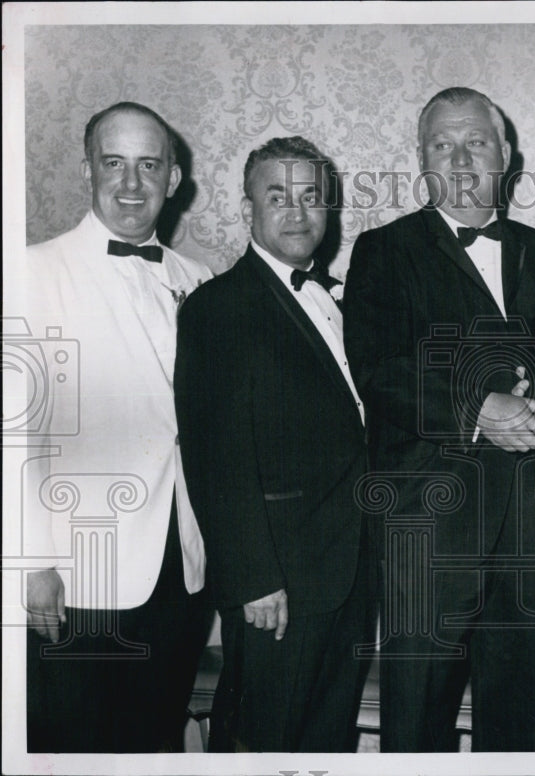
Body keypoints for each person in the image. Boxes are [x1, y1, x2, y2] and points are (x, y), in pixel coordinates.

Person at [343, 87, 535, 752]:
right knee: (416, 729)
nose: (459, 158)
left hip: (534, 532)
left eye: (475, 142)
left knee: (516, 731)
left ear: (505, 155)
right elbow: (381, 371)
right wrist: (479, 409)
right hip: (427, 534)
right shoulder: (382, 252)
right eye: (441, 145)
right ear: (421, 160)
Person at [18, 101, 213, 752]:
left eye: (148, 165)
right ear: (87, 171)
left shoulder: (199, 280)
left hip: (178, 569)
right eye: (114, 163)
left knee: (152, 746)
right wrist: (33, 560)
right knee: (70, 748)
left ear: (173, 179)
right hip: (78, 570)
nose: (131, 185)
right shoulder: (32, 271)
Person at [174, 136, 375, 752]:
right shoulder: (220, 305)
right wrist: (255, 578)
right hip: (278, 584)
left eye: (311, 197)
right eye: (278, 196)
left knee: (326, 740)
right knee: (268, 742)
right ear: (248, 210)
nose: (297, 212)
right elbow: (214, 453)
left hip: (347, 569)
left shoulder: (340, 298)